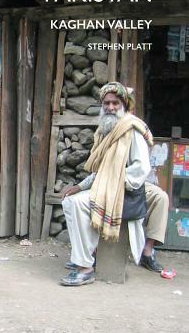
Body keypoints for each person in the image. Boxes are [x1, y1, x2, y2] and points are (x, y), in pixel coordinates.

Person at [61, 82, 169, 286]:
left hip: (127, 190)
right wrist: (82, 186)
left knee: (160, 197)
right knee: (70, 200)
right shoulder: (105, 130)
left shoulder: (132, 129)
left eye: (115, 103)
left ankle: (86, 268)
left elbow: (140, 170)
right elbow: (102, 170)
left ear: (124, 105)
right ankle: (86, 255)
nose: (110, 107)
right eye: (107, 103)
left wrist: (113, 185)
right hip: (111, 185)